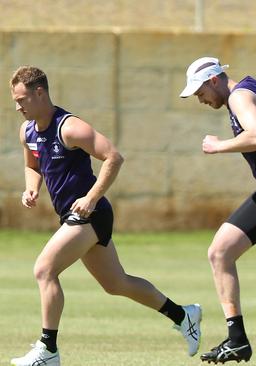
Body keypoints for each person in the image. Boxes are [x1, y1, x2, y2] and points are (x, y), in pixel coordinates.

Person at [9, 66, 201, 366]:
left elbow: (113, 156)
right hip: (72, 216)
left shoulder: (70, 128)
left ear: (40, 93)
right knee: (116, 284)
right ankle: (184, 314)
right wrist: (30, 188)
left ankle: (48, 351)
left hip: (91, 213)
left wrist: (91, 197)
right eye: (14, 101)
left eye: (22, 99)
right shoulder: (28, 131)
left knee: (44, 270)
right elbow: (32, 165)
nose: (17, 107)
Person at [179, 56, 256, 363]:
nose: (200, 99)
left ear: (214, 80)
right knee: (220, 252)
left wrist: (218, 146)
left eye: (200, 92)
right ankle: (237, 339)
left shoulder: (240, 96)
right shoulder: (242, 94)